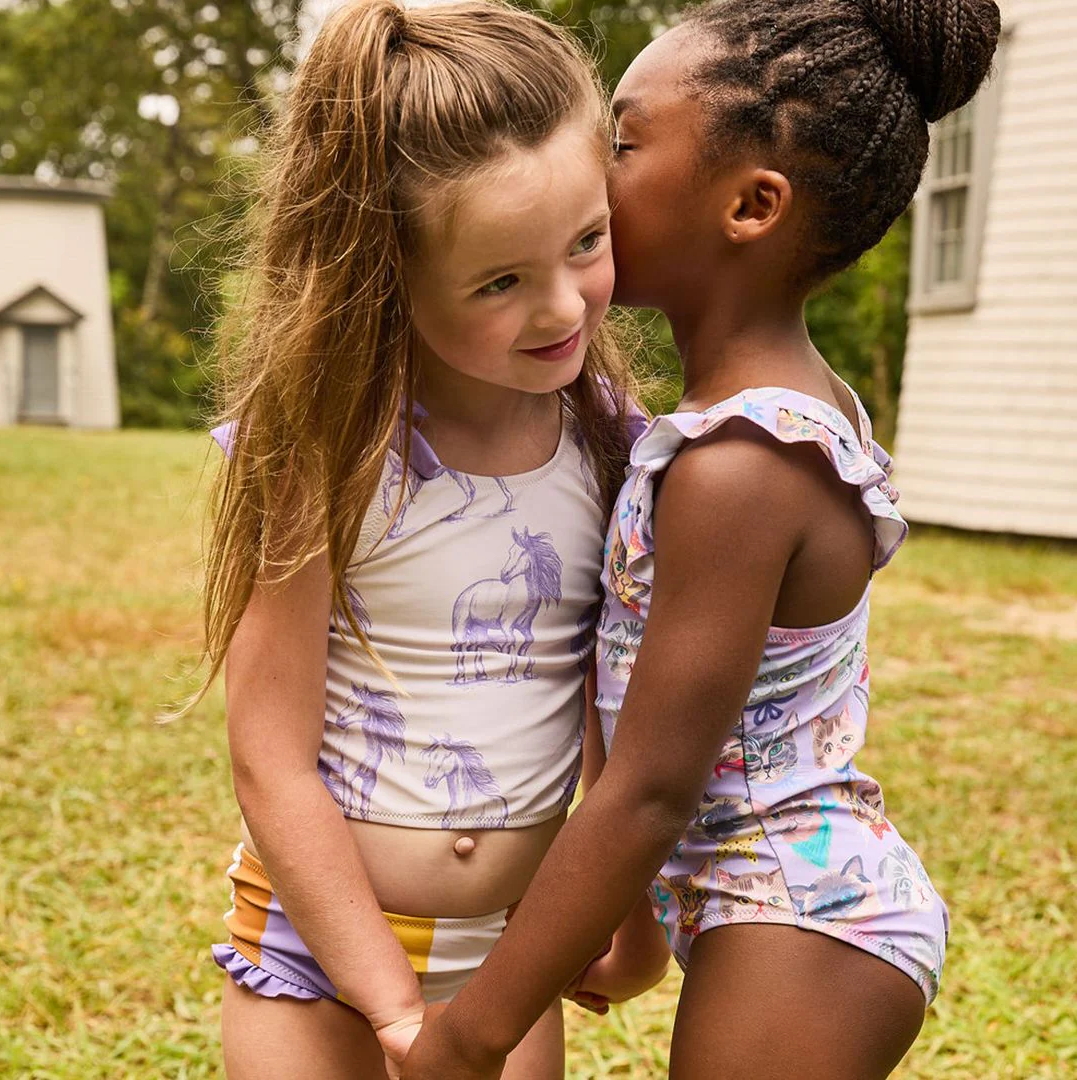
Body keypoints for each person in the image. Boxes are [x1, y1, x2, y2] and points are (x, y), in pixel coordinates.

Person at [400, 0, 1001, 1077]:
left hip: (801, 919)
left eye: (624, 143)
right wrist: (632, 929)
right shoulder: (762, 416)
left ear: (752, 205)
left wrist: (472, 1034)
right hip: (780, 901)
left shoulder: (741, 468)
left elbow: (652, 789)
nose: (591, 171)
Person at [198, 2, 659, 1077]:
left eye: (586, 243)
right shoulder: (326, 449)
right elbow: (269, 757)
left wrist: (632, 921)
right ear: (384, 272)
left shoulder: (612, 447)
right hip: (319, 952)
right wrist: (395, 1010)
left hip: (510, 955)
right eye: (499, 281)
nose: (562, 307)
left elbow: (607, 710)